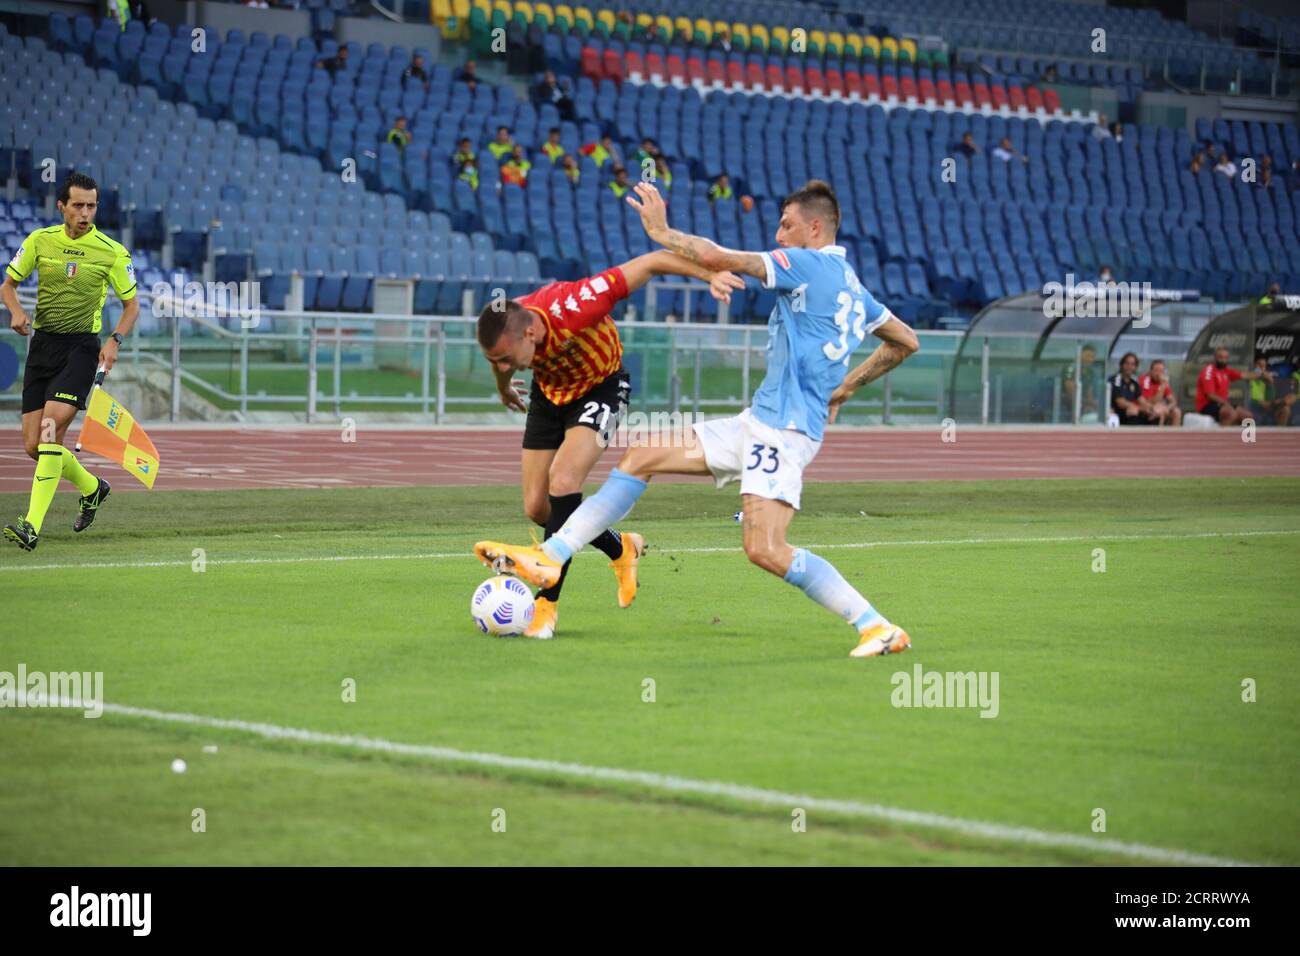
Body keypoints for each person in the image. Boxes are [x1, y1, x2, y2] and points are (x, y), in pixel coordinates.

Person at [475, 180, 923, 659]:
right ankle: (552, 556)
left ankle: (876, 625)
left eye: (787, 224)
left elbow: (718, 257)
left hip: (784, 433)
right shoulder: (856, 289)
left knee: (766, 550)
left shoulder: (810, 264)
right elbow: (906, 340)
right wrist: (847, 387)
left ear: (816, 228)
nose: (779, 233)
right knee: (642, 454)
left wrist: (662, 231)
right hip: (758, 422)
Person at [473, 251, 744, 638]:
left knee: (563, 481)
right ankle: (621, 547)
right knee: (539, 509)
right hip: (549, 397)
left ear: (530, 334)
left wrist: (710, 275)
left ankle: (546, 606)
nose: (500, 365)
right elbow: (499, 356)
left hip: (601, 388)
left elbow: (653, 261)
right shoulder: (511, 329)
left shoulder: (579, 303)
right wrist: (504, 388)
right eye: (493, 360)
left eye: (503, 359)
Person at [2, 173, 138, 551]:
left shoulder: (111, 251)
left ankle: (30, 526)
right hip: (42, 348)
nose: (85, 213)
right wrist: (15, 312)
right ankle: (93, 488)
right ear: (61, 206)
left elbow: (131, 306)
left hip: (81, 351)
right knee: (35, 446)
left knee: (49, 432)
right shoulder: (39, 241)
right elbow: (7, 286)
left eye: (91, 205)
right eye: (78, 205)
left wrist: (115, 340)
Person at [1196, 346, 1269, 426]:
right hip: (1207, 405)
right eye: (1221, 357)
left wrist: (1261, 372)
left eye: (1226, 358)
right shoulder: (1209, 371)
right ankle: (1223, 437)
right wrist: (1226, 403)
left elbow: (1245, 375)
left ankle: (1239, 437)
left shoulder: (1226, 370)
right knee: (1231, 414)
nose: (1223, 360)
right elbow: (1210, 395)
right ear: (1215, 358)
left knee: (1248, 417)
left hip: (1222, 404)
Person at [1247, 357, 1292, 426]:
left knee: (1285, 409)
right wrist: (1258, 402)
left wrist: (1270, 383)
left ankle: (1280, 432)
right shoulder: (1249, 377)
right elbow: (1245, 397)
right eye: (1259, 365)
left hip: (1267, 406)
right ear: (1254, 365)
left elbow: (1271, 398)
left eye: (1263, 366)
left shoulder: (1266, 379)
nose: (1262, 368)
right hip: (1253, 405)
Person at [1063, 344, 1103, 421]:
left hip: (1083, 404)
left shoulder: (1090, 372)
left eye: (1092, 357)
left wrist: (1092, 405)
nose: (1090, 359)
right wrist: (1090, 404)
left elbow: (1089, 394)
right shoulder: (1071, 368)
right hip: (1067, 405)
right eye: (1088, 356)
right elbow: (1071, 394)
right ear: (1080, 355)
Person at [1109, 351, 1149, 425]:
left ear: (1135, 367)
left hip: (1127, 414)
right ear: (1121, 365)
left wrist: (1152, 408)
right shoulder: (1116, 379)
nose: (1129, 366)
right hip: (1114, 414)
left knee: (1152, 413)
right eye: (1127, 363)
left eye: (1132, 364)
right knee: (1133, 411)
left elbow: (1142, 400)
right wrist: (1139, 408)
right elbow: (1120, 402)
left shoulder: (1134, 382)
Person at [1138, 359, 1181, 427]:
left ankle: (1174, 436)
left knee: (1176, 412)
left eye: (1161, 371)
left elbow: (1173, 401)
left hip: (1160, 409)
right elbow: (1152, 402)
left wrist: (1167, 408)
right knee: (1158, 410)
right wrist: (1163, 386)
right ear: (1151, 371)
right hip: (1146, 409)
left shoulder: (1162, 382)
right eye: (1156, 370)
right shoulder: (1145, 380)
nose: (1158, 373)